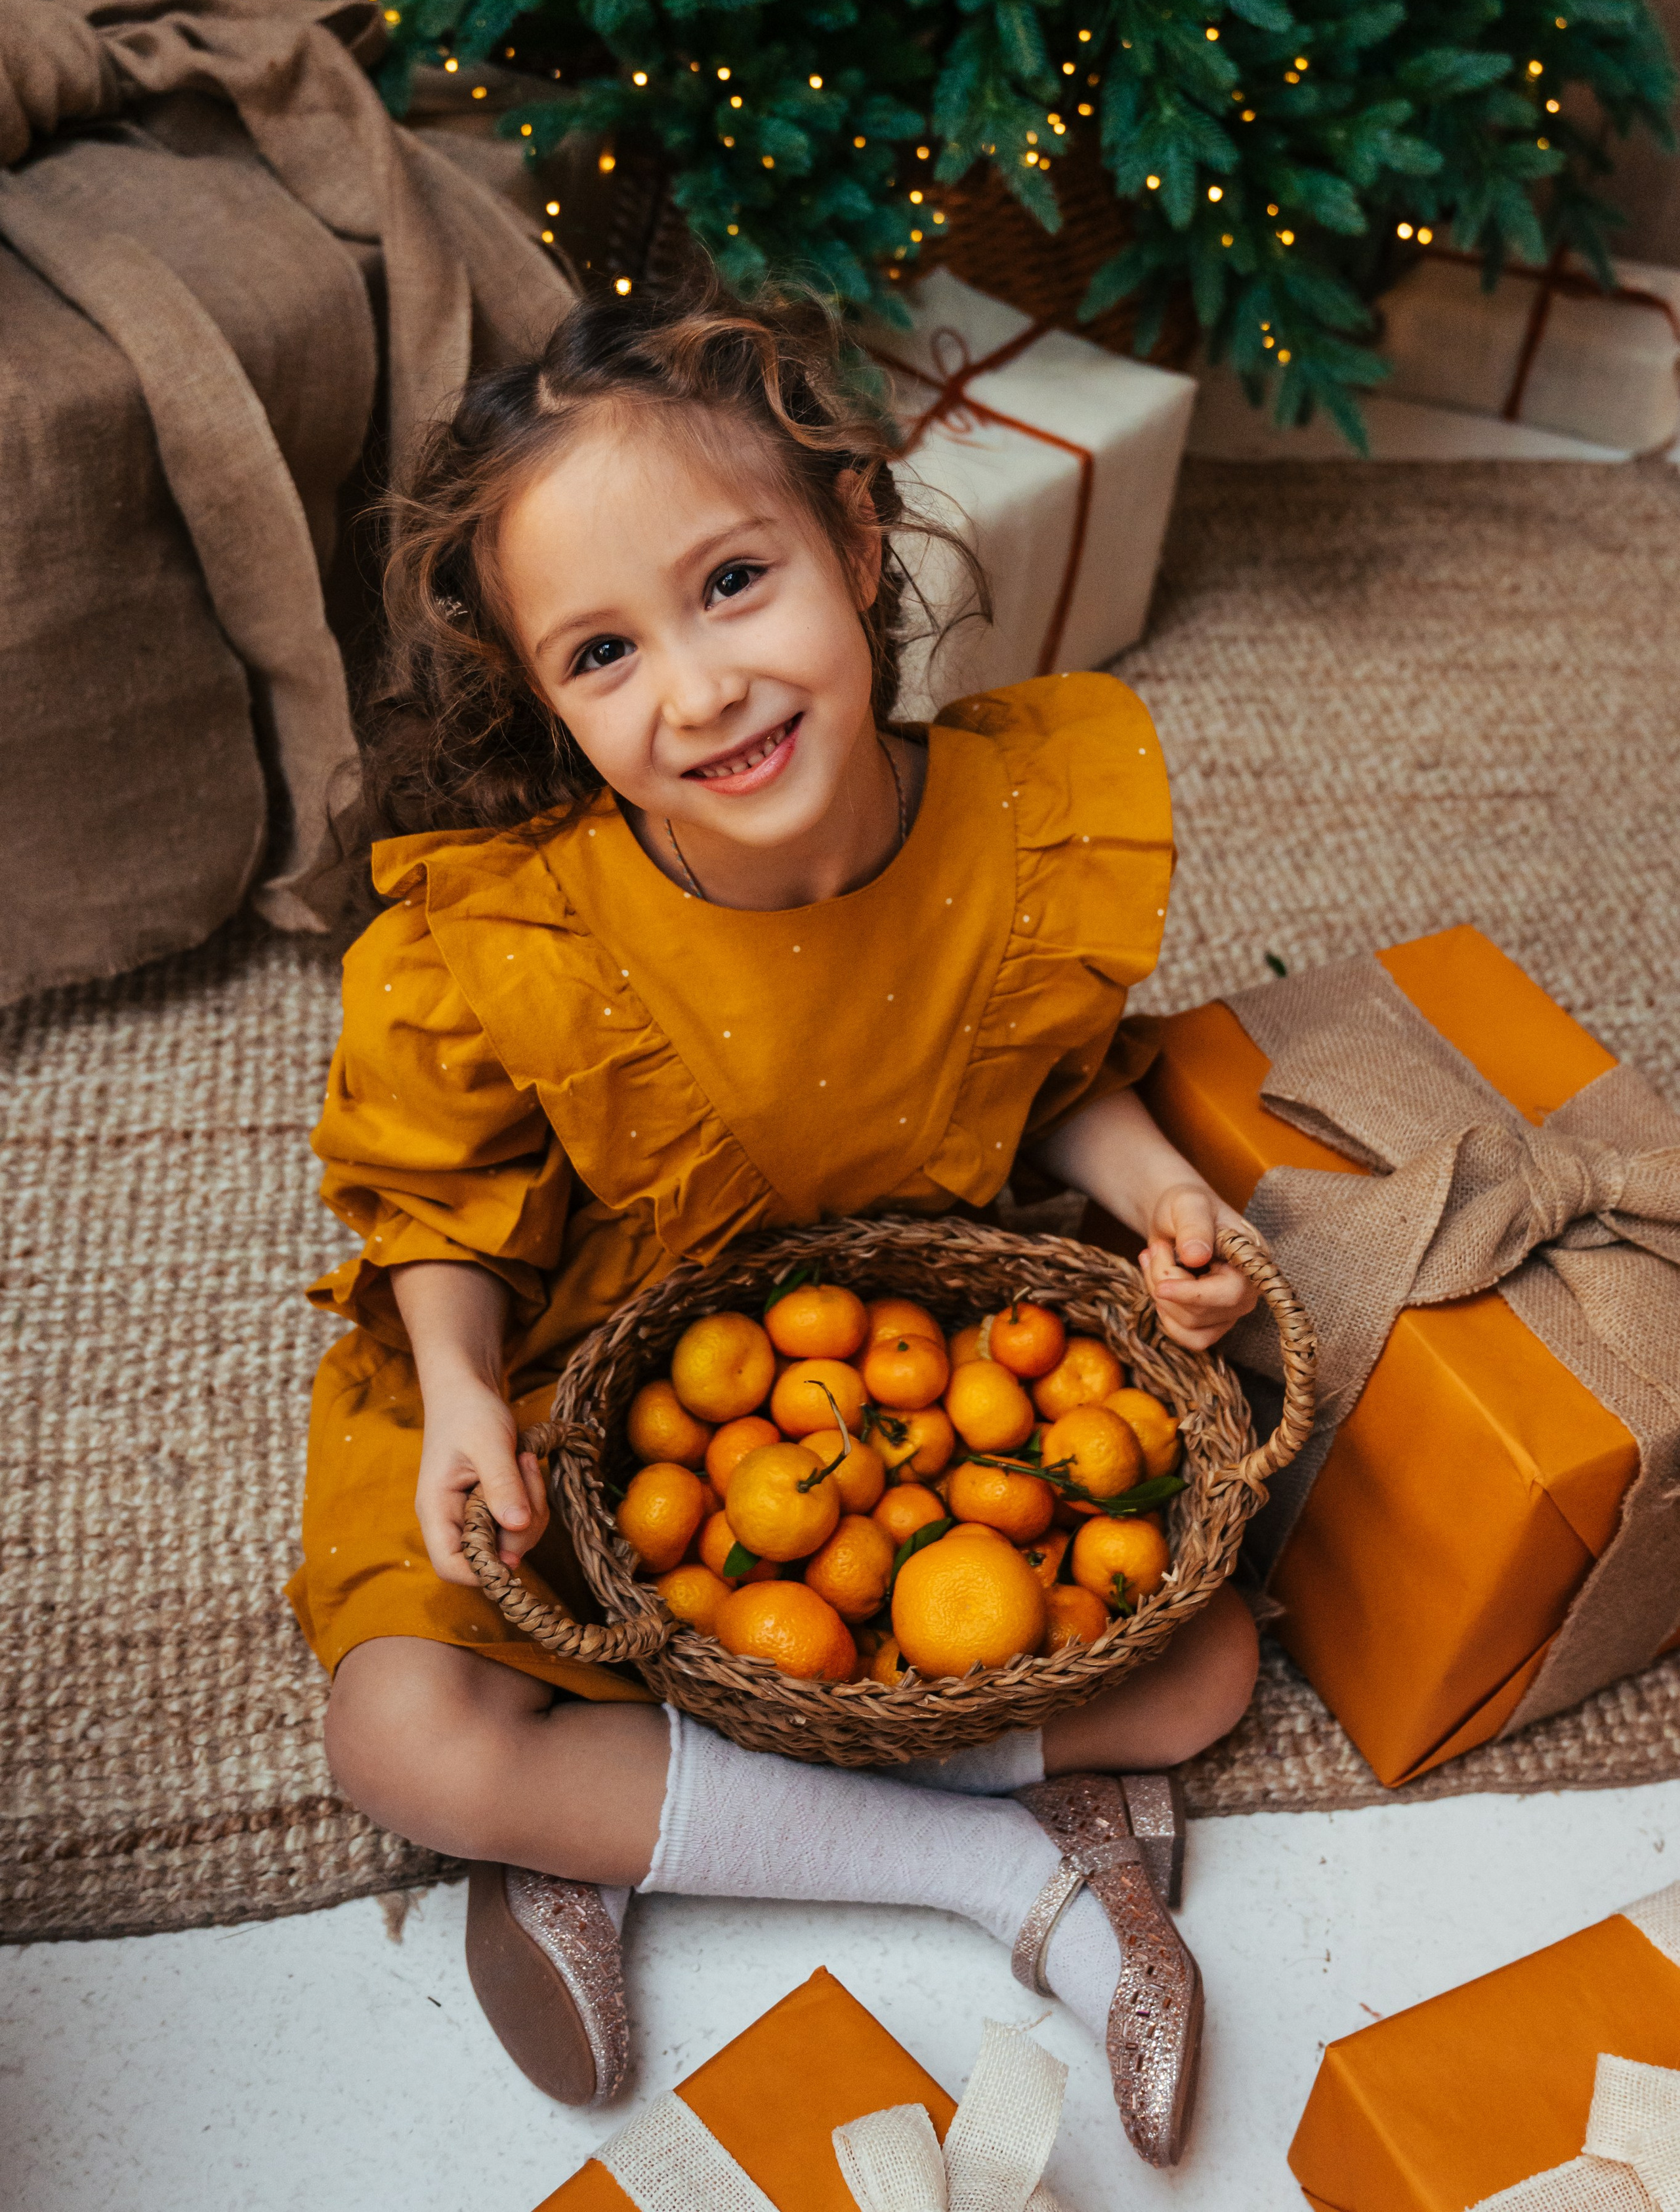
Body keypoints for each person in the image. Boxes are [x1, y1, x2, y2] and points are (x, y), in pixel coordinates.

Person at [289, 275, 1261, 2168]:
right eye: (602, 656)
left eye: (733, 584)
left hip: (896, 1383)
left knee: (1210, 1664)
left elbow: (1056, 1079)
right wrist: (464, 1385)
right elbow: (438, 1200)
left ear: (857, 531)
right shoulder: (521, 933)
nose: (700, 689)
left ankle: (623, 1823)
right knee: (400, 1732)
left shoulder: (1011, 824)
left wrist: (1163, 1203)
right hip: (583, 1368)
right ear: (544, 699)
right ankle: (997, 1877)